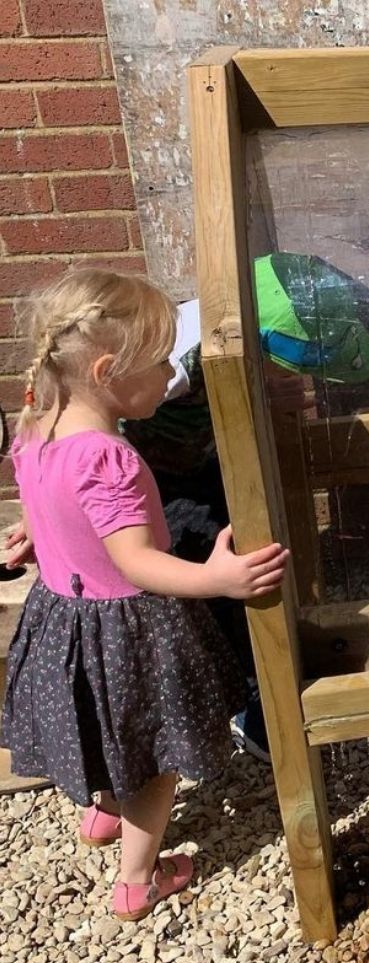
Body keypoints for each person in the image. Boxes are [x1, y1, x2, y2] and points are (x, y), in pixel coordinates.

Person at [0, 269, 288, 921]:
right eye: (160, 363)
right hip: (128, 628)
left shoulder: (33, 428)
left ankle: (102, 814)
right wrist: (219, 580)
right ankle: (137, 879)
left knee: (100, 724)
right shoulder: (109, 458)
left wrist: (33, 538)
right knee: (155, 755)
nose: (170, 376)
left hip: (62, 618)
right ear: (107, 370)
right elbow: (139, 564)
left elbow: (51, 512)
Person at [120, 252, 369, 763]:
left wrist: (260, 393)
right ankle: (249, 707)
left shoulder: (240, 337)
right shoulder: (167, 364)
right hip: (157, 484)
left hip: (211, 461)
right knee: (219, 586)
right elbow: (82, 420)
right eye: (280, 366)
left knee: (247, 564)